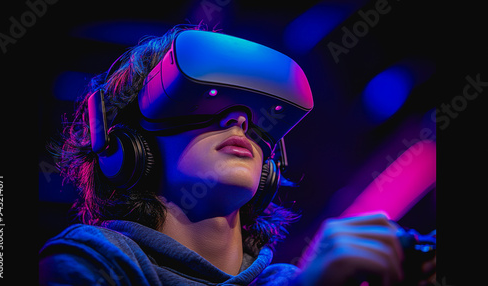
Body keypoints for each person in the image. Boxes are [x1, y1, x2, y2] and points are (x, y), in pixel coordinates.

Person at [39, 24, 435, 285]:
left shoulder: (291, 280)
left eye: (255, 115)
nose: (239, 123)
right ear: (125, 146)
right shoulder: (93, 262)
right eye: (204, 102)